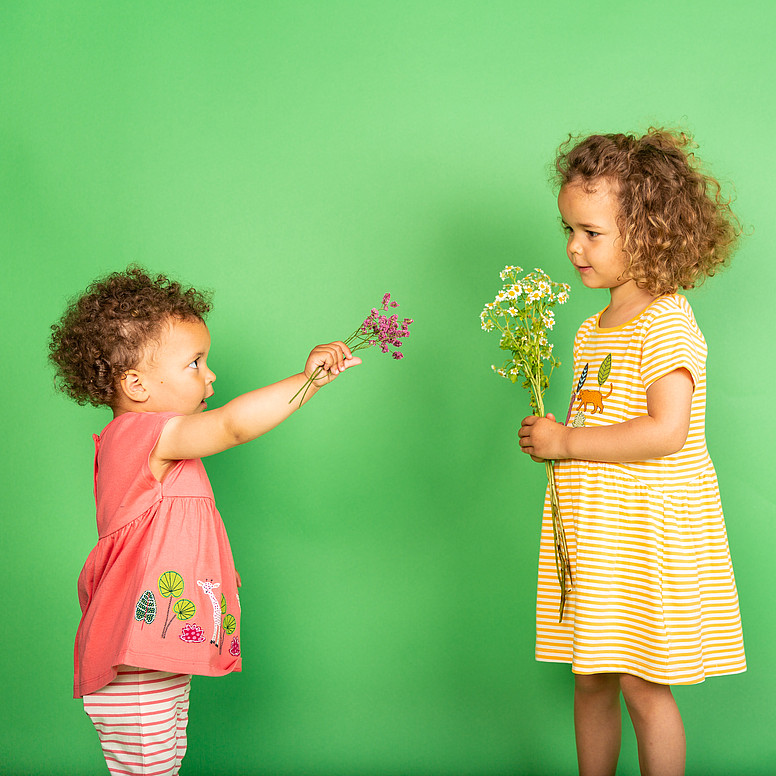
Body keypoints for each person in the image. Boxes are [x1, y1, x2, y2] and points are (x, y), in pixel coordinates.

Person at [49, 266, 361, 775]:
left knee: (164, 765)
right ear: (136, 384)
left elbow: (182, 534)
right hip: (132, 657)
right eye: (195, 363)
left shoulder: (166, 446)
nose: (210, 375)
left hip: (154, 654)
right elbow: (234, 426)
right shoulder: (139, 435)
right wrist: (307, 381)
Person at [518, 129, 745, 776]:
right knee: (591, 677)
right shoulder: (594, 326)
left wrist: (567, 441)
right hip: (597, 531)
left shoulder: (667, 320)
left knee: (644, 684)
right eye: (568, 229)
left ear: (649, 234)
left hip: (644, 532)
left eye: (592, 233)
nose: (572, 247)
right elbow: (603, 416)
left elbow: (665, 431)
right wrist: (555, 437)